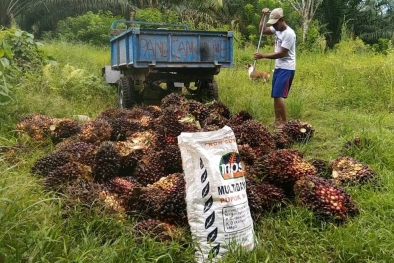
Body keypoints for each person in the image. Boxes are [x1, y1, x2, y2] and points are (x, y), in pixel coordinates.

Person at [254, 7, 296, 132]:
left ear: (282, 20)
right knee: (275, 95)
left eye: (275, 23)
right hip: (278, 67)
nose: (274, 26)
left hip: (287, 68)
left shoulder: (289, 34)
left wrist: (263, 56)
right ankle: (277, 121)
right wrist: (264, 16)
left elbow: (282, 53)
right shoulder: (276, 28)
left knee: (278, 95)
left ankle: (284, 123)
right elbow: (262, 30)